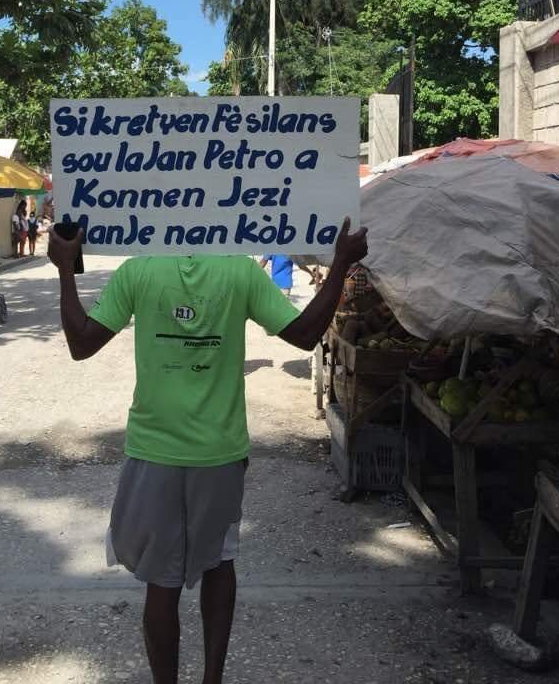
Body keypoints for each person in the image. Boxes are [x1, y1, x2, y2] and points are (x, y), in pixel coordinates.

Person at [48, 217, 368, 684]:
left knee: (163, 583)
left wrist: (63, 269)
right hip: (220, 452)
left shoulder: (139, 271)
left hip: (154, 449)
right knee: (219, 564)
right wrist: (340, 263)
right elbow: (302, 334)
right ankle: (212, 679)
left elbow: (81, 344)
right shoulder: (239, 270)